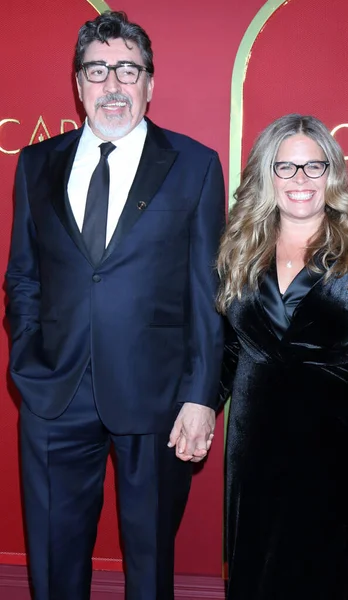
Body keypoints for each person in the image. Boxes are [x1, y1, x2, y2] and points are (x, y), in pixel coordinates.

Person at [6, 10, 225, 600]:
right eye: (97, 70)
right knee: (53, 561)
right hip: (55, 391)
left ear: (150, 84)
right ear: (78, 85)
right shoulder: (36, 165)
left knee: (150, 562)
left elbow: (209, 293)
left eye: (127, 70)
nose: (112, 84)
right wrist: (27, 359)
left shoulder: (195, 165)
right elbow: (23, 277)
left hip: (156, 396)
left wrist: (201, 395)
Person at [216, 114, 348, 600]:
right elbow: (227, 347)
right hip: (255, 433)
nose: (300, 180)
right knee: (253, 564)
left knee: (321, 567)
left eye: (313, 167)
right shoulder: (237, 249)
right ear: (266, 175)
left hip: (333, 433)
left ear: (332, 173)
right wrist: (195, 408)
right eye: (286, 167)